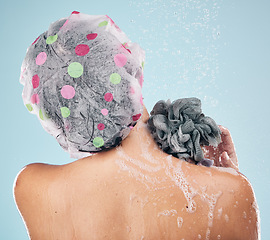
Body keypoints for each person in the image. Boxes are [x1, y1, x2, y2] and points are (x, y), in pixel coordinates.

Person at [14, 12, 260, 240]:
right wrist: (227, 179)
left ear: (55, 117)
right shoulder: (230, 194)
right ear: (129, 71)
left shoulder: (32, 188)